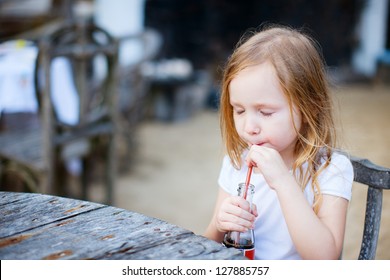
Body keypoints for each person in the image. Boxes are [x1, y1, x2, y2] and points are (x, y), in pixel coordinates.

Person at [204, 24, 354, 260]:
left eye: (265, 112)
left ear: (309, 107)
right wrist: (220, 222)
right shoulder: (238, 163)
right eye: (239, 110)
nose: (249, 127)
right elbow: (207, 245)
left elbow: (325, 260)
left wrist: (283, 182)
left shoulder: (330, 169)